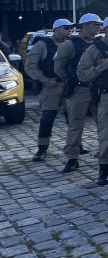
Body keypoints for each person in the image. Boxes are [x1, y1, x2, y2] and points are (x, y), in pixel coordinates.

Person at [76, 15, 108, 186]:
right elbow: (82, 74)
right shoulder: (95, 49)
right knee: (106, 135)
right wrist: (101, 67)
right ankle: (104, 170)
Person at [56, 13, 103, 173]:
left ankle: (106, 155)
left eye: (99, 24)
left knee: (103, 124)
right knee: (75, 125)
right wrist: (70, 80)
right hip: (78, 89)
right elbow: (59, 67)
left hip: (97, 89)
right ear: (83, 26)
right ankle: (72, 158)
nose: (98, 27)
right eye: (94, 24)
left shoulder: (100, 43)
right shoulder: (70, 44)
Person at [28, 19, 72, 162]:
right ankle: (42, 149)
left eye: (70, 28)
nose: (68, 30)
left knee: (73, 118)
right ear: (56, 29)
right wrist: (45, 80)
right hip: (51, 85)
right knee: (47, 118)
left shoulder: (71, 43)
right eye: (65, 28)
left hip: (70, 84)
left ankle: (75, 145)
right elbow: (30, 66)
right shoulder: (42, 44)